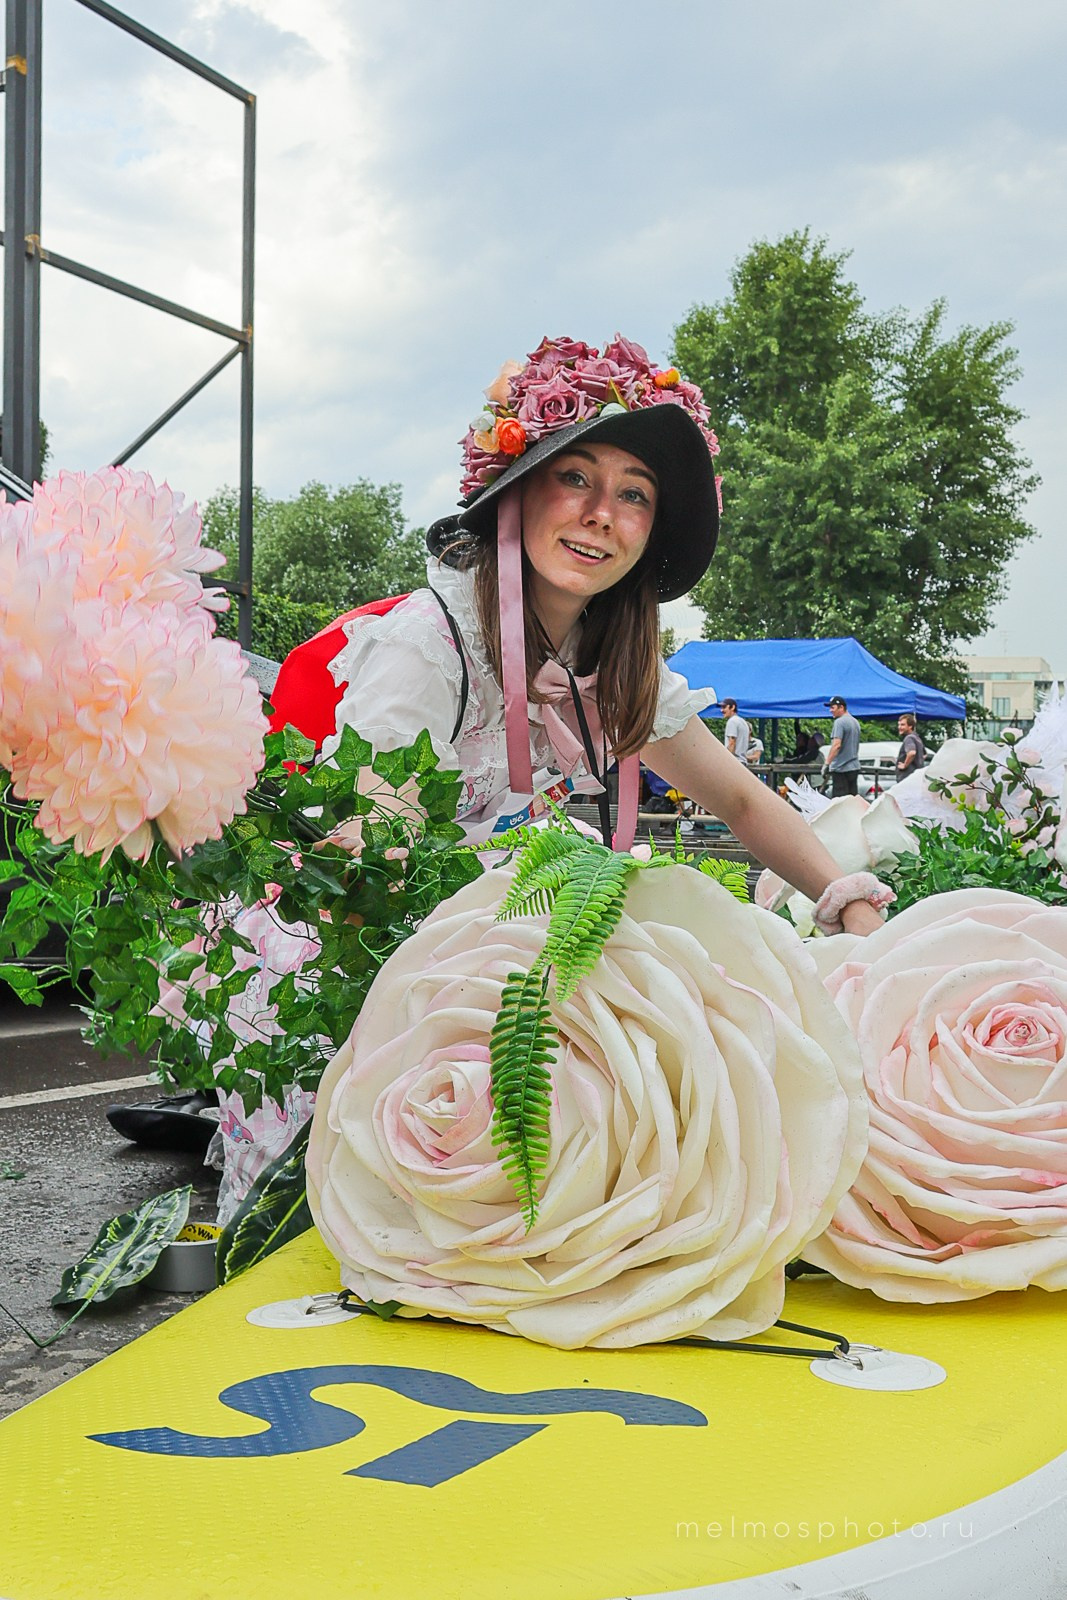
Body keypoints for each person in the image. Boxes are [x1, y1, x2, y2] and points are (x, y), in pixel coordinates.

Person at [300, 334, 888, 938]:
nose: (602, 514)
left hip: (520, 941)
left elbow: (742, 802)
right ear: (517, 493)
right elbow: (364, 870)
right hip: (401, 955)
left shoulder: (613, 661)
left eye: (633, 493)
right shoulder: (429, 647)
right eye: (576, 477)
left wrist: (854, 907)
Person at [824, 695, 862, 797]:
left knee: (840, 802)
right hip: (854, 767)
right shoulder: (855, 722)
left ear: (841, 707)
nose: (830, 711)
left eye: (833, 708)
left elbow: (836, 745)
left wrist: (827, 764)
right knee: (852, 801)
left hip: (841, 769)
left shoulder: (840, 722)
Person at [896, 713, 925, 777]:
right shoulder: (917, 738)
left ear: (910, 726)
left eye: (902, 725)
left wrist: (905, 765)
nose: (899, 727)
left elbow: (912, 753)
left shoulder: (909, 738)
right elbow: (925, 754)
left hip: (907, 777)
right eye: (899, 725)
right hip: (917, 776)